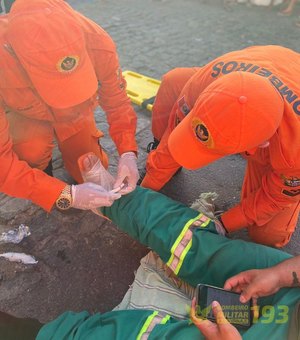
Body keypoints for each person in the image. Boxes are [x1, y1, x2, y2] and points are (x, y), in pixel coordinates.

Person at [1, 165, 299, 338]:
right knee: (197, 246)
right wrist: (284, 274)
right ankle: (116, 199)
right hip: (293, 290)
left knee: (141, 334)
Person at [140, 45, 300, 248]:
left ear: (261, 144)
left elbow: (274, 198)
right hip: (264, 65)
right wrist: (145, 190)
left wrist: (223, 224)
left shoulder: (294, 152)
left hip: (290, 92)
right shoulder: (202, 84)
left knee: (268, 235)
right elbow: (173, 138)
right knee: (175, 80)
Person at [0, 0, 139, 213]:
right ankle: (41, 175)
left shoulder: (98, 42)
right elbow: (2, 163)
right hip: (26, 115)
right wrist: (64, 194)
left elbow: (117, 101)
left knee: (86, 165)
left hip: (74, 114)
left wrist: (128, 152)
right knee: (31, 154)